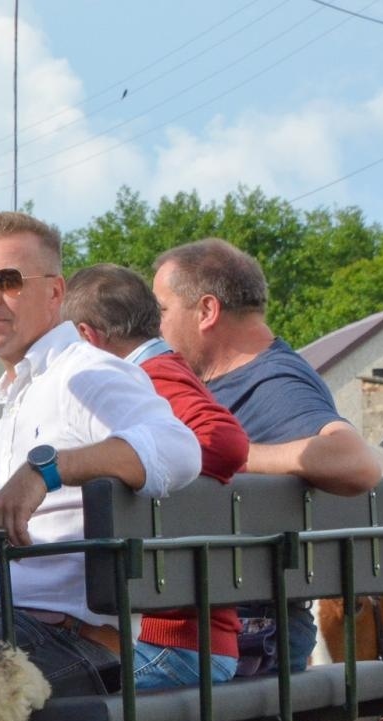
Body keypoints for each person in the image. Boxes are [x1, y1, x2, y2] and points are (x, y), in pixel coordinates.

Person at [0, 212, 201, 697]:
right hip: (1, 631)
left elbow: (179, 449)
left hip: (68, 643)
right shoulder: (14, 409)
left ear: (55, 293)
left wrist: (45, 469)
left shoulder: (84, 374)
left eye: (8, 280)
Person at [152, 237, 381, 673]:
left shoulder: (273, 381)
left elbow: (356, 462)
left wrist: (224, 455)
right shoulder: (226, 379)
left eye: (161, 310)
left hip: (248, 640)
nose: (154, 326)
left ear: (206, 311)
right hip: (218, 632)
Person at [62, 263, 249, 689]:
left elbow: (225, 441)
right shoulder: (168, 371)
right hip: (188, 639)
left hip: (173, 643)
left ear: (88, 338)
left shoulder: (152, 379)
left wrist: (136, 461)